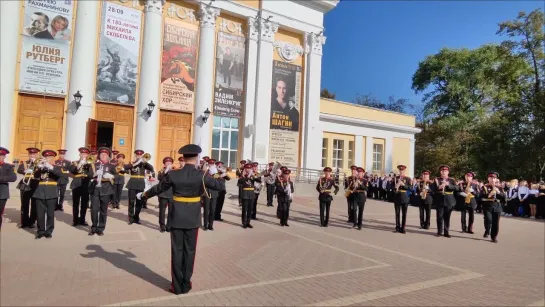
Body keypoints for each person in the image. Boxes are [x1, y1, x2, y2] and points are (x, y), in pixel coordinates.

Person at [139, 144, 225, 295]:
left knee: (177, 251)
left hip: (176, 216)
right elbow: (220, 187)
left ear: (183, 158)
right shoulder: (202, 175)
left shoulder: (173, 174)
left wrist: (144, 195)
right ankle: (186, 283)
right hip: (193, 218)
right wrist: (214, 173)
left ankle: (176, 286)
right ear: (197, 158)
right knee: (190, 252)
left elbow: (158, 188)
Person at [33, 150, 64, 239]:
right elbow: (36, 176)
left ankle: (49, 231)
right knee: (40, 214)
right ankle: (40, 231)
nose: (47, 159)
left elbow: (60, 175)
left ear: (53, 158)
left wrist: (50, 167)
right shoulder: (41, 167)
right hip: (40, 192)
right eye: (46, 157)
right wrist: (39, 167)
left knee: (50, 214)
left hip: (51, 193)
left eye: (49, 157)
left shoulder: (56, 167)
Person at [88, 148, 117, 236]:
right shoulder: (94, 165)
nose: (103, 156)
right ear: (99, 155)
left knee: (103, 210)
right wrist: (95, 174)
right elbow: (89, 175)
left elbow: (117, 176)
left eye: (105, 155)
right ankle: (94, 227)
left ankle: (101, 228)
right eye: (101, 154)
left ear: (108, 156)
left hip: (106, 189)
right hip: (95, 189)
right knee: (94, 209)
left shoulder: (111, 166)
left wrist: (111, 175)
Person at [124, 150, 155, 225]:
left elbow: (151, 168)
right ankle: (131, 218)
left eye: (140, 155)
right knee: (131, 202)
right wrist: (134, 163)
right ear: (135, 155)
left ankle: (136, 217)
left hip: (140, 183)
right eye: (137, 155)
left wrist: (145, 161)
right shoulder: (132, 162)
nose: (139, 156)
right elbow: (126, 167)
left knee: (139, 202)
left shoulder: (144, 164)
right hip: (132, 183)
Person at [432, 165, 459, 238]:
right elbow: (432, 189)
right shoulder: (437, 179)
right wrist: (439, 188)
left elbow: (457, 188)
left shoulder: (452, 180)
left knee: (447, 217)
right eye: (442, 171)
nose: (444, 172)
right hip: (439, 200)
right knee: (439, 217)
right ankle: (439, 231)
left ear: (448, 172)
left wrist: (448, 185)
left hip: (449, 201)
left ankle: (446, 232)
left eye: (445, 171)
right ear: (440, 172)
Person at [202, 159, 229, 231]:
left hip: (214, 193)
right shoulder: (205, 173)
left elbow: (221, 182)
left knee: (213, 210)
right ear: (208, 165)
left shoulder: (215, 173)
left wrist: (221, 174)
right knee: (206, 210)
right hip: (207, 193)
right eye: (210, 164)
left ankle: (210, 225)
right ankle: (205, 225)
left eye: (212, 164)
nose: (211, 166)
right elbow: (203, 181)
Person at [69, 147, 93, 226]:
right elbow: (72, 171)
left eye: (85, 154)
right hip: (76, 184)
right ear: (79, 154)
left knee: (84, 204)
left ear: (87, 155)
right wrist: (79, 165)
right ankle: (75, 220)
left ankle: (82, 219)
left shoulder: (90, 163)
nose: (83, 155)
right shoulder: (75, 162)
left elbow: (91, 174)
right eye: (82, 154)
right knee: (75, 204)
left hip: (85, 184)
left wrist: (88, 166)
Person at [480, 172, 504, 243]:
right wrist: (490, 194)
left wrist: (498, 192)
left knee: (496, 223)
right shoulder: (484, 187)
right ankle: (487, 230)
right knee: (488, 220)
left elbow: (504, 197)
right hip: (487, 206)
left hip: (497, 206)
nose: (492, 179)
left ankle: (494, 237)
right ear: (488, 179)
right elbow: (481, 196)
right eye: (491, 178)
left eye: (494, 178)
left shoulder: (499, 187)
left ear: (496, 179)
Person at [0, 147, 17, 230]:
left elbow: (13, 178)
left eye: (2, 155)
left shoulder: (8, 166)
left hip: (2, 193)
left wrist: (1, 179)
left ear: (4, 157)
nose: (0, 157)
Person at [238, 164, 259, 228]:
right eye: (247, 168)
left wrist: (254, 176)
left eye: (249, 168)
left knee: (250, 209)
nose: (248, 169)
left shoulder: (252, 176)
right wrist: (246, 176)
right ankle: (244, 222)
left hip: (251, 194)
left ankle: (248, 222)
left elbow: (259, 180)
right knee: (245, 209)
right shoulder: (243, 176)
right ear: (245, 169)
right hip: (245, 194)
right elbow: (240, 181)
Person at [157, 157, 174, 233]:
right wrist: (166, 171)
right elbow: (160, 178)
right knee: (162, 211)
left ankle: (169, 226)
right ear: (164, 164)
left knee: (171, 211)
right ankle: (162, 226)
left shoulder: (174, 171)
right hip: (163, 193)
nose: (169, 164)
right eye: (167, 163)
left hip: (172, 193)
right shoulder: (161, 171)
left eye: (170, 163)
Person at [393, 165, 412, 233]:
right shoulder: (395, 178)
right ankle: (397, 227)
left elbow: (410, 189)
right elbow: (392, 188)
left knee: (404, 213)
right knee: (397, 213)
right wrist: (396, 186)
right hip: (397, 197)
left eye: (402, 170)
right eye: (400, 170)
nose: (401, 171)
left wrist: (404, 184)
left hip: (405, 197)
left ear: (405, 171)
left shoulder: (408, 179)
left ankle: (403, 228)